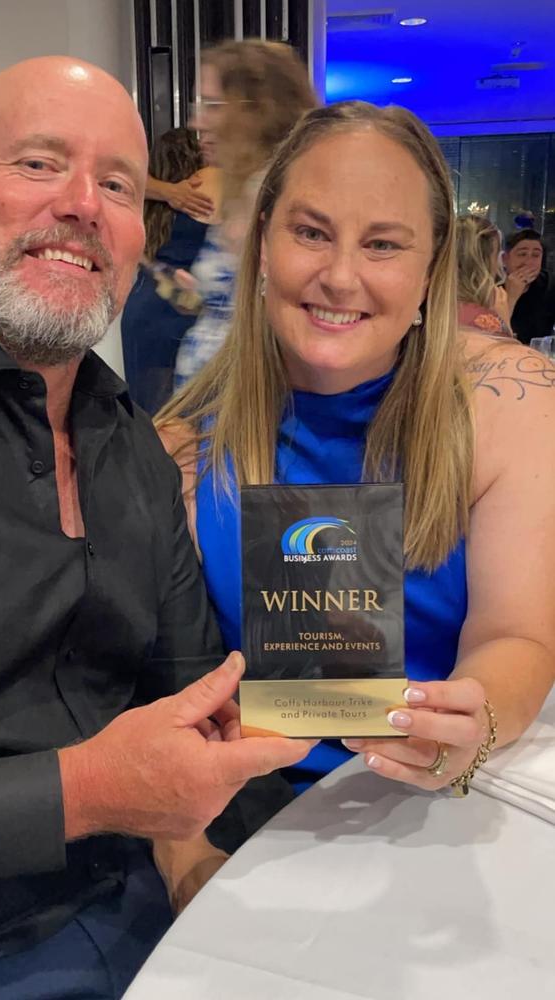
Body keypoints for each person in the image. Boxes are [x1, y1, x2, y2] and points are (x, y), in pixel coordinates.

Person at [0, 57, 315, 997]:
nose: (83, 205)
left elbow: (186, 691)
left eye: (118, 184)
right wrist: (84, 793)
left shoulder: (127, 438)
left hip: (149, 912)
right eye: (40, 164)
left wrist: (380, 729)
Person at [157, 101, 555, 799]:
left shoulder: (513, 405)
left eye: (382, 244)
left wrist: (473, 717)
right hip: (252, 809)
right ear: (264, 243)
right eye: (311, 232)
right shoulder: (185, 446)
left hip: (445, 805)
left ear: (430, 268)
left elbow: (518, 636)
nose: (341, 277)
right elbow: (170, 681)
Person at [173, 38, 316, 390]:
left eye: (213, 105)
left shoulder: (281, 197)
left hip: (245, 415)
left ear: (257, 110)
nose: (196, 122)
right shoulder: (244, 189)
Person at [122, 127, 219, 412]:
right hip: (191, 305)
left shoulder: (142, 202)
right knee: (193, 414)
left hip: (146, 306)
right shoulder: (211, 183)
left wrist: (165, 191)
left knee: (148, 412)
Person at [455, 214, 513, 337]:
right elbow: (508, 354)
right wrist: (504, 323)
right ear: (483, 261)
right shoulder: (484, 319)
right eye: (497, 253)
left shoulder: (433, 302)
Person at [503, 228, 555, 343]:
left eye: (536, 255)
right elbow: (490, 333)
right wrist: (511, 296)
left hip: (538, 356)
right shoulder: (490, 286)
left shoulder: (549, 284)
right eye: (522, 254)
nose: (529, 262)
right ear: (504, 259)